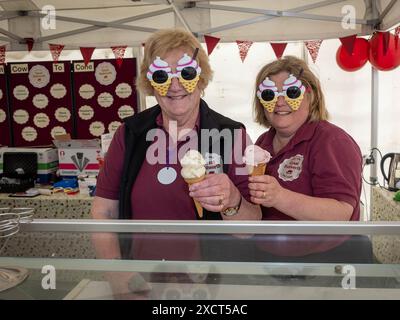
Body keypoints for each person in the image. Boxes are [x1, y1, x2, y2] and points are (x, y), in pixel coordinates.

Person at [90, 29, 260, 298]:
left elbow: (250, 228)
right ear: (150, 82)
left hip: (208, 287)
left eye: (187, 74)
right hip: (142, 283)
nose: (175, 85)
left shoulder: (231, 134)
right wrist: (117, 275)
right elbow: (103, 213)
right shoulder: (130, 134)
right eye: (161, 76)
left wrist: (232, 200)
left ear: (201, 79)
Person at [248, 56, 372, 263]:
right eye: (269, 94)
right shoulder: (262, 142)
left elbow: (340, 213)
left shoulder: (331, 140)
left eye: (291, 92)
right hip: (269, 260)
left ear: (311, 95)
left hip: (324, 264)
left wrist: (279, 197)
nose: (280, 102)